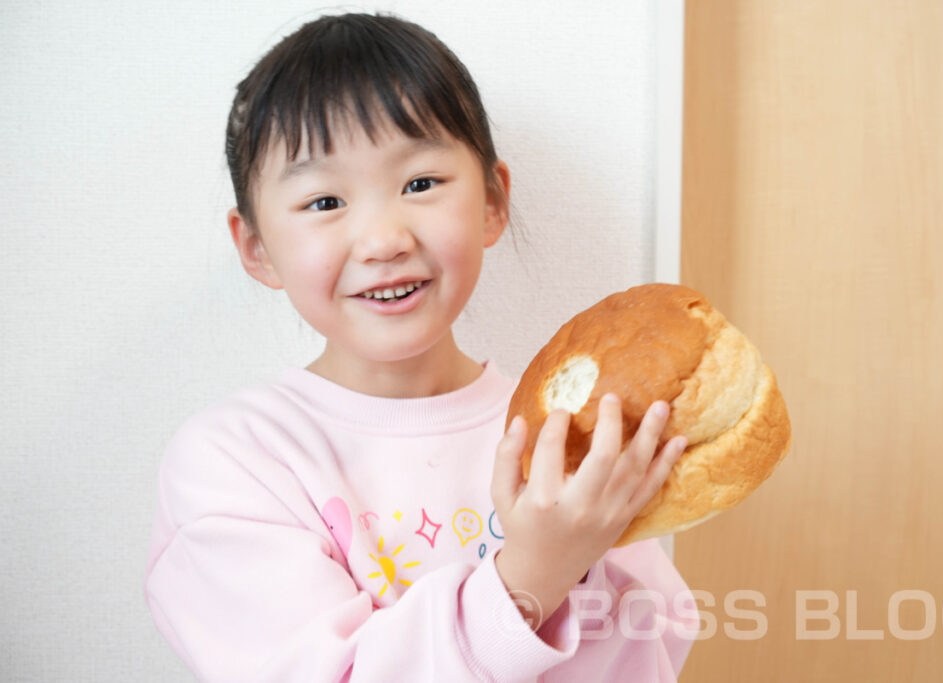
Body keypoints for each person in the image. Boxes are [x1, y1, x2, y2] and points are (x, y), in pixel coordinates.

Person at [143, 12, 698, 682]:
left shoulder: (562, 431)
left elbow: (655, 650)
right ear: (256, 246)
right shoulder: (238, 460)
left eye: (420, 184)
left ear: (492, 200)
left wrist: (580, 565)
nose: (384, 238)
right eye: (324, 201)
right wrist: (530, 576)